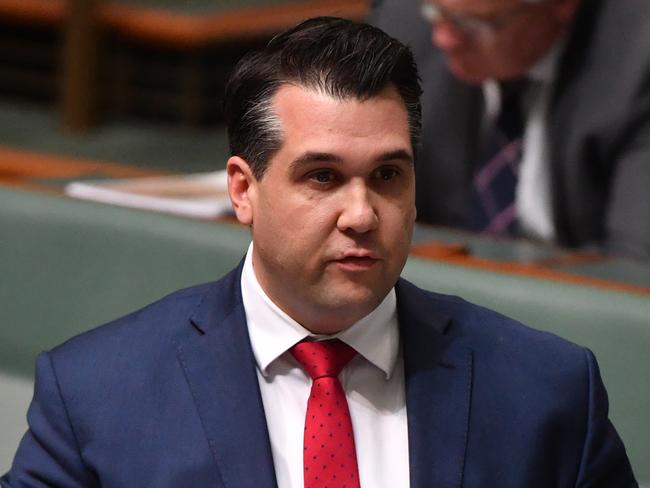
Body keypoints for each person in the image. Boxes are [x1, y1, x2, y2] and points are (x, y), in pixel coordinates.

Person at [2, 17, 637, 488]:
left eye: (388, 176)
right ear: (243, 190)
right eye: (323, 178)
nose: (362, 216)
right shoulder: (97, 396)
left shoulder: (547, 392)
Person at [369, 0, 650, 258]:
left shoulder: (638, 60)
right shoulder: (405, 22)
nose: (443, 37)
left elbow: (633, 266)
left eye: (476, 24)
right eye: (435, 12)